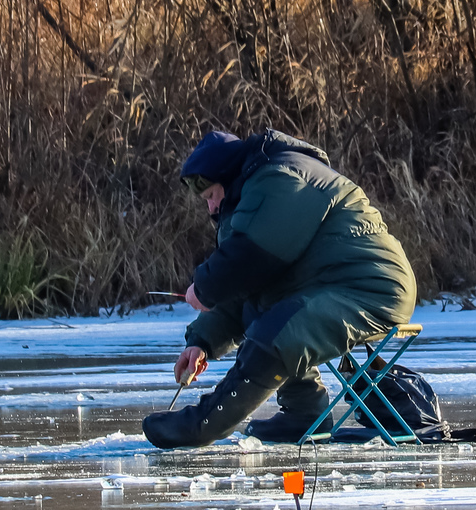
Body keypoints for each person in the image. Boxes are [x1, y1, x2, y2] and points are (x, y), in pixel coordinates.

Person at [142, 129, 417, 449]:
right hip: (329, 285)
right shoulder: (261, 185)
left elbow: (251, 256)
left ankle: (204, 424)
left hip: (372, 288)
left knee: (281, 329)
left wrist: (204, 286)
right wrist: (202, 342)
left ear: (225, 177)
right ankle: (303, 413)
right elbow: (250, 285)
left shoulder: (282, 176)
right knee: (262, 308)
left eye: (210, 196)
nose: (211, 209)